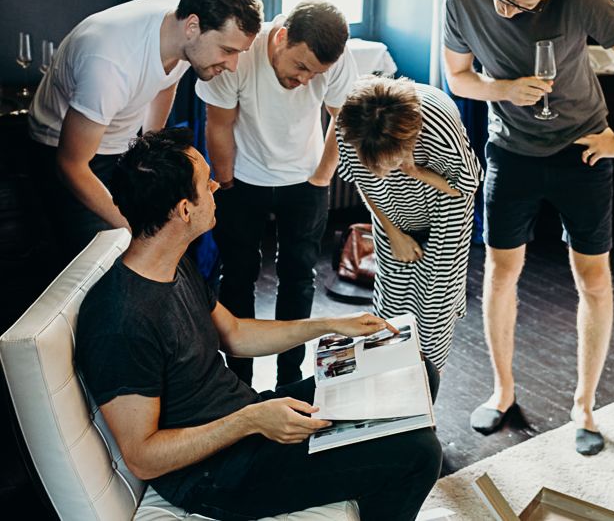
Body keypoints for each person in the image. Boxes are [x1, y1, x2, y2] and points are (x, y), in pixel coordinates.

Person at [75, 127, 442, 521]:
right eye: (206, 182)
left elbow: (234, 334)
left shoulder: (171, 264)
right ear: (184, 209)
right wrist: (250, 420)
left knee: (416, 369)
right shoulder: (122, 319)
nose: (216, 185)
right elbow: (144, 458)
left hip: (247, 421)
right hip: (217, 476)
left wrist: (333, 324)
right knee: (419, 454)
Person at [442, 0, 614, 455]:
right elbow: (457, 77)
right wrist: (503, 89)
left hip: (581, 152)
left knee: (593, 279)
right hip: (510, 152)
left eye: (526, 9)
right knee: (500, 274)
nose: (510, 13)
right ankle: (502, 392)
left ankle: (584, 406)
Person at [28, 0, 262, 268]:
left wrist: (153, 157)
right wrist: (133, 228)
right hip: (61, 151)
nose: (232, 65)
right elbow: (71, 165)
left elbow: (165, 80)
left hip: (120, 144)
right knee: (109, 260)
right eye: (227, 50)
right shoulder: (109, 62)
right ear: (193, 26)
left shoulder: (182, 31)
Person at [196, 0, 358, 387]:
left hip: (305, 181)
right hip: (243, 179)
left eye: (315, 73)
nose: (305, 80)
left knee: (299, 278)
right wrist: (227, 182)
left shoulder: (336, 61)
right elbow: (218, 124)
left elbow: (343, 119)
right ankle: (239, 379)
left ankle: (290, 376)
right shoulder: (239, 55)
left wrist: (322, 176)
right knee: (237, 276)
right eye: (300, 66)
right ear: (281, 36)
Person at [336, 76, 483, 371]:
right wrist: (393, 233)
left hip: (446, 213)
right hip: (391, 215)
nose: (384, 173)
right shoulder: (350, 127)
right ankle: (389, 395)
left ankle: (427, 393)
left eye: (391, 165)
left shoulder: (438, 118)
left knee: (432, 319)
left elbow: (467, 184)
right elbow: (364, 183)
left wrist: (415, 170)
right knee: (389, 314)